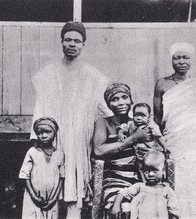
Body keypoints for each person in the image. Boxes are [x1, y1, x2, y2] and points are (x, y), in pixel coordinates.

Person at [30, 21, 112, 218]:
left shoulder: (94, 76)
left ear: (83, 45)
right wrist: (37, 142)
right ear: (61, 42)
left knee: (75, 186)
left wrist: (119, 123)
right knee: (50, 183)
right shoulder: (47, 74)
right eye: (68, 40)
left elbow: (103, 107)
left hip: (78, 139)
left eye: (77, 41)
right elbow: (40, 108)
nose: (72, 44)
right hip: (54, 138)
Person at [153, 42, 196, 218]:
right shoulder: (162, 84)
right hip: (174, 141)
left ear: (191, 60)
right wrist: (160, 146)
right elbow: (158, 120)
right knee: (177, 182)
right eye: (177, 57)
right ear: (171, 60)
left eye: (185, 57)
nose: (181, 61)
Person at [92, 83, 151, 218]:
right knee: (123, 208)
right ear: (108, 104)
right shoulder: (103, 122)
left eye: (124, 97)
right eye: (114, 99)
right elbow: (99, 150)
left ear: (131, 100)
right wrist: (132, 139)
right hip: (114, 179)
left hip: (138, 179)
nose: (120, 103)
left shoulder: (138, 122)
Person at [111, 150, 180, 219]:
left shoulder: (167, 191)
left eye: (155, 171)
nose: (150, 174)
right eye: (147, 171)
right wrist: (116, 205)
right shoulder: (140, 187)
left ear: (163, 170)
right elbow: (122, 193)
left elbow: (174, 211)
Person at [19, 117, 65, 219]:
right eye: (39, 133)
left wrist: (54, 199)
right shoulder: (32, 152)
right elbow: (24, 176)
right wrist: (34, 197)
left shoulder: (59, 153)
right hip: (33, 199)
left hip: (51, 199)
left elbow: (62, 177)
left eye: (47, 132)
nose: (43, 136)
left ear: (55, 133)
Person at [117, 102, 169, 180]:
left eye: (142, 115)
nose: (138, 118)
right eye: (136, 115)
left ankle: (155, 181)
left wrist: (165, 147)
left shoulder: (151, 126)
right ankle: (143, 182)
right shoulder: (131, 124)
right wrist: (120, 133)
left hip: (149, 152)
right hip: (136, 153)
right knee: (139, 168)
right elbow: (123, 128)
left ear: (149, 117)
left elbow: (159, 137)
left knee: (151, 167)